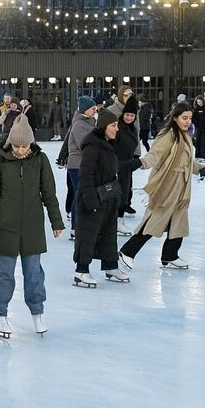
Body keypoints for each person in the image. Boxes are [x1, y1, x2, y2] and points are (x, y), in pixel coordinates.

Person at [0, 114, 64, 339]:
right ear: (10, 142)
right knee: (4, 274)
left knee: (33, 274)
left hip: (32, 226)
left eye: (25, 146)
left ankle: (37, 311)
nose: (21, 150)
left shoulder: (40, 161)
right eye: (17, 146)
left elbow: (49, 193)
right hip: (5, 226)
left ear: (31, 143)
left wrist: (56, 221)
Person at [120, 102, 205, 270]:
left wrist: (200, 168)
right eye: (184, 118)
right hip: (167, 186)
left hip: (181, 187)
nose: (187, 122)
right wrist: (142, 162)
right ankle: (127, 251)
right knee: (155, 220)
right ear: (175, 118)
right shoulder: (168, 136)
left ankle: (170, 256)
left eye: (190, 118)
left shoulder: (185, 135)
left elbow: (186, 162)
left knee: (179, 221)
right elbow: (155, 155)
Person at [74, 112, 129, 287]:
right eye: (113, 125)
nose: (117, 129)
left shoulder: (108, 144)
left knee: (109, 233)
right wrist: (90, 199)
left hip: (108, 197)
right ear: (104, 126)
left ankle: (110, 266)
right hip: (93, 198)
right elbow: (86, 174)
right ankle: (81, 270)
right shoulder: (93, 147)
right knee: (88, 234)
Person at [64, 95, 97, 235]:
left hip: (84, 164)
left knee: (82, 194)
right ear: (85, 110)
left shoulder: (89, 122)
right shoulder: (79, 124)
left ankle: (80, 224)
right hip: (77, 165)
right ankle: (75, 226)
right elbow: (84, 145)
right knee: (80, 194)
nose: (95, 110)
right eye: (92, 108)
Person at [114, 97, 143, 219]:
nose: (129, 118)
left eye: (132, 115)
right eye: (127, 115)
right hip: (117, 165)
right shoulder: (118, 127)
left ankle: (119, 220)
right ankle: (115, 221)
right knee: (117, 194)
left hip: (127, 164)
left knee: (124, 193)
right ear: (123, 114)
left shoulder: (133, 128)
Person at [191, 94, 205, 160]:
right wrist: (196, 124)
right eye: (198, 102)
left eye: (200, 102)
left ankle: (203, 157)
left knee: (204, 143)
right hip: (198, 128)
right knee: (198, 143)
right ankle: (198, 156)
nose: (199, 103)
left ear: (203, 101)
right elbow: (193, 119)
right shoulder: (196, 110)